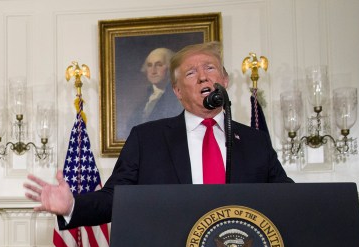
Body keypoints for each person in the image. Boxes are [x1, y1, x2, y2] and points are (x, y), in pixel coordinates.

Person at [24, 41, 292, 229]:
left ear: (225, 80)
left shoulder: (255, 142)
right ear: (177, 91)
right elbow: (114, 199)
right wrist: (72, 205)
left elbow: (289, 199)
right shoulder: (146, 139)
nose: (202, 77)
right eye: (190, 72)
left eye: (210, 68)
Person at [121, 47, 182, 138]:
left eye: (159, 65)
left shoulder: (178, 98)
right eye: (149, 65)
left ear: (170, 68)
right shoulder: (145, 98)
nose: (153, 71)